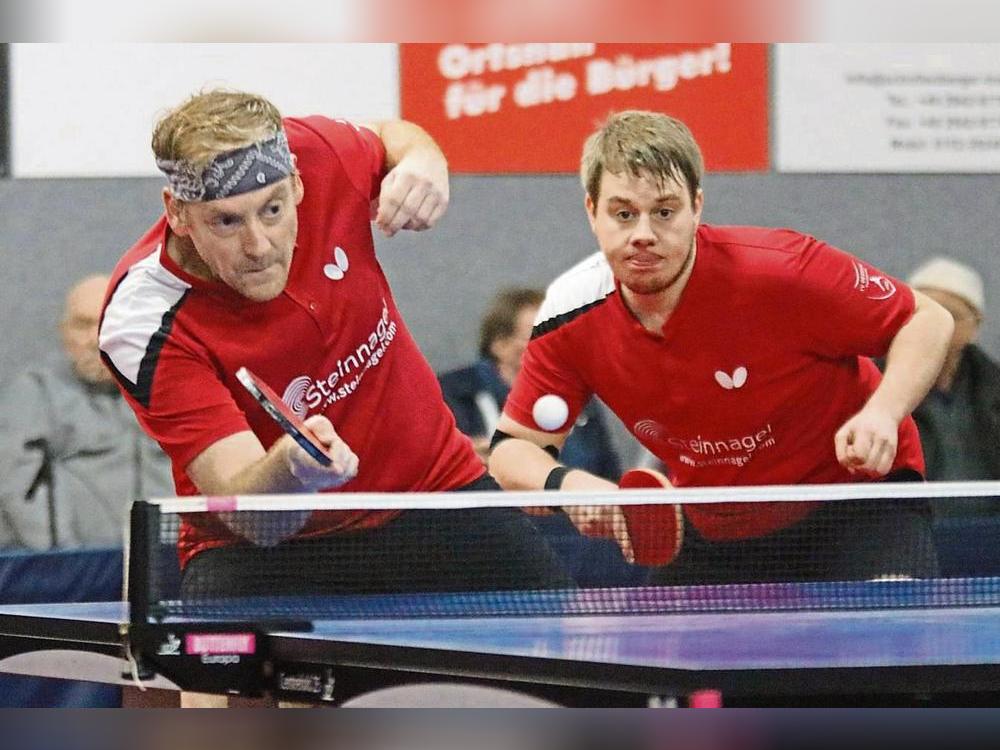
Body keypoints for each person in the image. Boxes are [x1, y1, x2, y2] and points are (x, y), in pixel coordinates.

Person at [98, 89, 571, 602]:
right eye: (227, 221)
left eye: (273, 210)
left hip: (433, 492)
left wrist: (425, 157)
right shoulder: (144, 321)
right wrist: (294, 468)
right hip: (270, 551)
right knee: (206, 670)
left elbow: (393, 136)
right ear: (178, 212)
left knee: (578, 662)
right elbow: (255, 520)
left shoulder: (320, 152)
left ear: (298, 182)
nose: (259, 246)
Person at [488, 110, 955, 585]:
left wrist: (882, 412)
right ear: (592, 211)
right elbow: (512, 449)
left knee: (892, 646)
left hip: (854, 505)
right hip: (715, 524)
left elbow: (927, 319)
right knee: (658, 661)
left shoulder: (781, 271)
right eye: (623, 213)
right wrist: (570, 486)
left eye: (665, 211)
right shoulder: (571, 318)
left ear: (697, 206)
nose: (644, 233)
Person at [440, 287, 643, 587]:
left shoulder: (578, 396)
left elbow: (607, 471)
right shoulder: (455, 392)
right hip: (501, 541)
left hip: (583, 539)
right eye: (540, 331)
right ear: (500, 345)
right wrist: (470, 455)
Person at [0, 274, 174, 549]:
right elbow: (20, 489)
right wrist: (70, 567)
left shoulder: (171, 392)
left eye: (110, 323)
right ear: (64, 333)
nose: (97, 339)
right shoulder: (36, 394)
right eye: (83, 325)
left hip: (168, 569)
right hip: (74, 573)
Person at [439, 286, 621, 479]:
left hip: (570, 507)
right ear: (500, 346)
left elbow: (607, 475)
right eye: (542, 335)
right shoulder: (453, 395)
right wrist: (461, 459)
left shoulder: (580, 400)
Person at [906, 256, 1000, 516]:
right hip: (913, 535)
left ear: (975, 326)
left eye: (950, 315)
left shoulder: (992, 386)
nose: (936, 326)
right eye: (923, 313)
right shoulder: (871, 387)